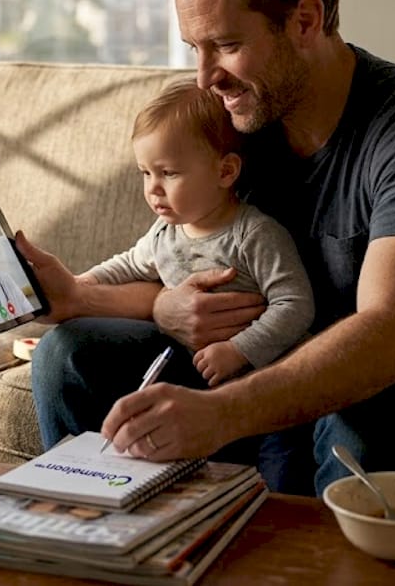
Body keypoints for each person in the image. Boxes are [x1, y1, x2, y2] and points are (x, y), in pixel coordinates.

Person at [17, 0, 395, 496]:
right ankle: (102, 529)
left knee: (357, 415)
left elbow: (390, 336)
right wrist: (94, 298)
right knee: (67, 355)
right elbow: (178, 258)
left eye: (225, 44)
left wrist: (222, 414)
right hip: (257, 355)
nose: (205, 78)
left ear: (305, 21)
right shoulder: (237, 119)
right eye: (194, 48)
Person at [79, 76, 314, 388]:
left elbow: (295, 305)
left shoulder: (254, 235)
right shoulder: (165, 231)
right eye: (146, 173)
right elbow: (131, 264)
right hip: (197, 373)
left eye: (168, 173)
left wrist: (238, 350)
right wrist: (84, 282)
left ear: (225, 171)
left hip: (268, 379)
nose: (153, 189)